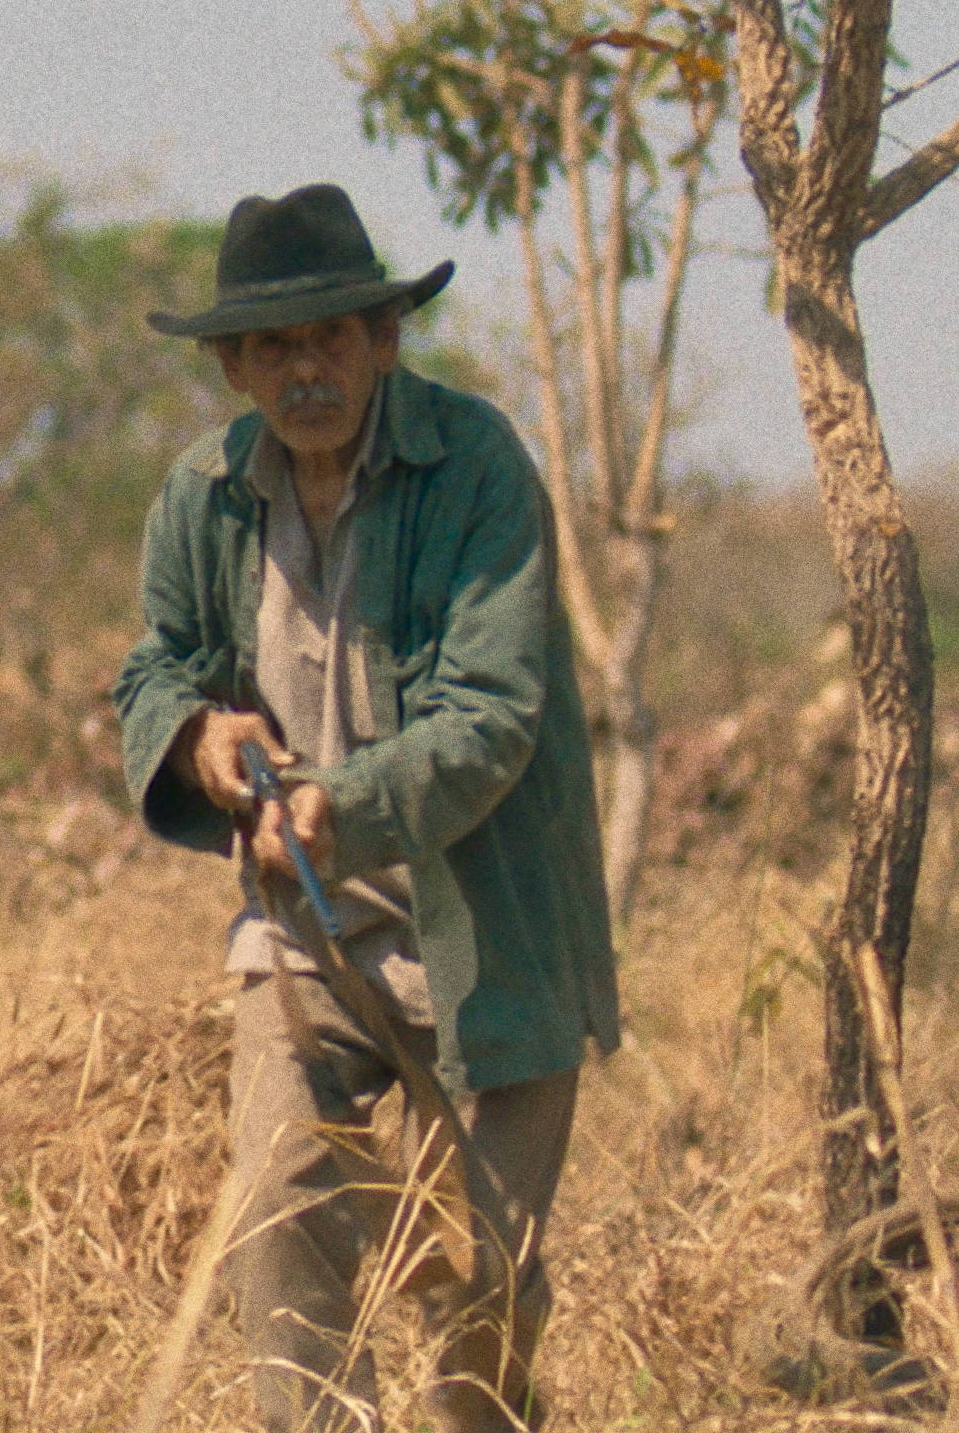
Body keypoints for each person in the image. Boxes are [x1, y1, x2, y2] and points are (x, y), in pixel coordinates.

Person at [113, 184, 619, 1432]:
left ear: (385, 339)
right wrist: (197, 736)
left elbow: (494, 715)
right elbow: (157, 664)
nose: (306, 370)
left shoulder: (479, 467)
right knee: (281, 1214)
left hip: (491, 932)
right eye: (275, 347)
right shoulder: (202, 493)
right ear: (233, 366)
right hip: (305, 930)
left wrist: (344, 801)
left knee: (474, 1296)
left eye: (332, 336)